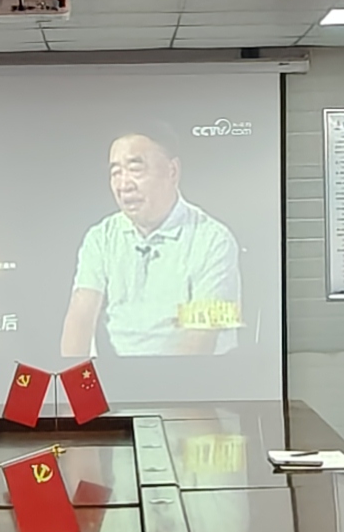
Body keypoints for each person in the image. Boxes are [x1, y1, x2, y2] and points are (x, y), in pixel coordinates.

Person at [59, 130, 243, 362]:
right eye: (116, 172)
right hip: (117, 376)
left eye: (135, 169)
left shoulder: (213, 240)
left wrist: (158, 383)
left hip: (194, 375)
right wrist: (74, 379)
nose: (124, 185)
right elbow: (80, 317)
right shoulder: (101, 237)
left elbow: (201, 339)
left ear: (172, 171)